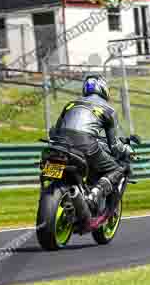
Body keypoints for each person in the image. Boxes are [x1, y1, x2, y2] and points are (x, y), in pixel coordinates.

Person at [49, 74, 132, 213]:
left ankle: (66, 197)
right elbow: (114, 147)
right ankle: (94, 194)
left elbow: (53, 132)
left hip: (58, 145)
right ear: (103, 89)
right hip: (86, 145)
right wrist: (126, 150)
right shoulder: (108, 110)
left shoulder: (70, 104)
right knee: (117, 169)